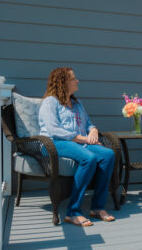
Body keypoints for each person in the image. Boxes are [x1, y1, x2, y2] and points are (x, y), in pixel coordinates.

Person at [39, 67, 116, 226]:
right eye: (74, 78)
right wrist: (85, 139)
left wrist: (93, 130)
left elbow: (88, 123)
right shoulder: (50, 101)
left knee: (108, 155)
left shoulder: (76, 102)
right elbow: (54, 130)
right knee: (89, 158)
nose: (77, 80)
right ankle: (73, 212)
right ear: (63, 82)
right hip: (54, 143)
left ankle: (97, 207)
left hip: (78, 142)